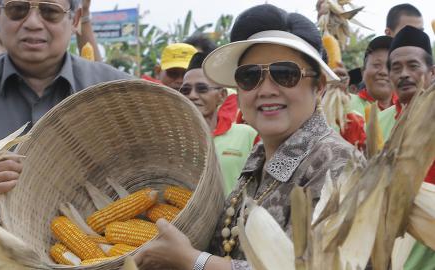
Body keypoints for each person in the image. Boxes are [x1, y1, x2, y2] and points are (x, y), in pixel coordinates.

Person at [134, 4, 362, 269]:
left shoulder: (337, 162)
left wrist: (192, 261)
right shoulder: (258, 159)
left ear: (319, 86)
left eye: (284, 74)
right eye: (250, 76)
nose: (265, 90)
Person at [0, 1, 130, 269]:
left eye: (49, 11)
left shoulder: (115, 92)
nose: (32, 22)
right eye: (18, 9)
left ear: (75, 19)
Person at [382, 25, 435, 270]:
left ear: (431, 72)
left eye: (413, 66)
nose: (404, 74)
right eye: (396, 68)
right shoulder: (379, 121)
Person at [180, 52, 257, 195]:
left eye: (201, 88)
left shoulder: (248, 135)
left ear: (222, 96)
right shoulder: (173, 141)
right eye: (185, 90)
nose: (192, 95)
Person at [349, 36, 398, 117]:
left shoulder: (407, 111)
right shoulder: (346, 105)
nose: (383, 72)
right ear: (363, 72)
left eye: (390, 66)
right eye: (376, 65)